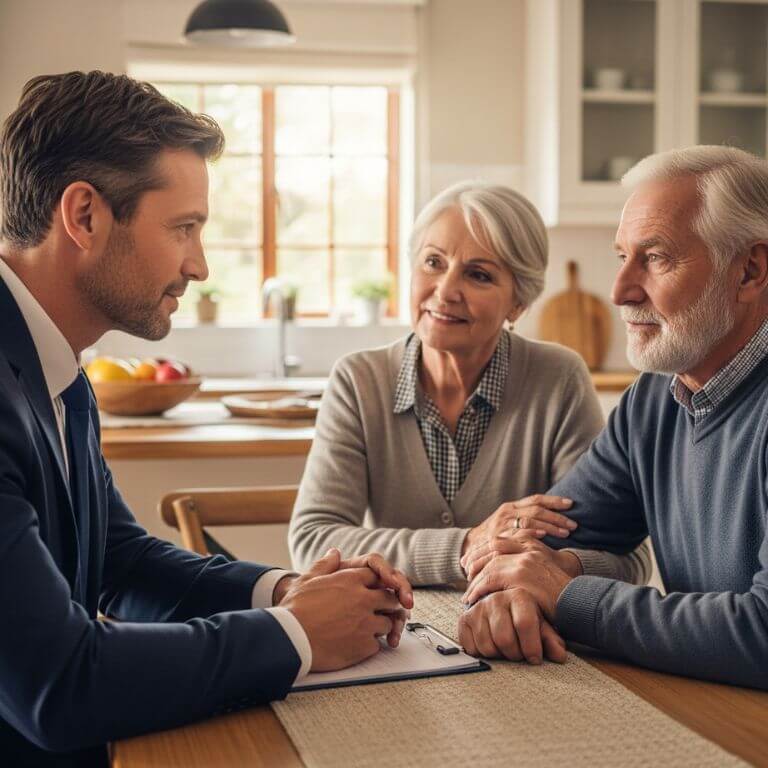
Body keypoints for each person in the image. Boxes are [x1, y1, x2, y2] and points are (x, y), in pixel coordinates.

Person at [0, 70, 413, 767]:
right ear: (85, 216)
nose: (199, 266)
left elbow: (119, 563)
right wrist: (297, 634)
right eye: (184, 228)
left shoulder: (56, 370)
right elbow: (59, 685)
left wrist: (286, 590)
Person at [459, 145, 768, 690]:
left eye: (655, 258)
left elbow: (761, 635)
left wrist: (563, 595)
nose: (620, 291)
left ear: (749, 270)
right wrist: (510, 593)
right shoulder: (654, 397)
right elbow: (547, 539)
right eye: (622, 256)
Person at [289, 181, 651, 590]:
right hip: (396, 637)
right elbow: (313, 541)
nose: (445, 291)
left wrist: (547, 568)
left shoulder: (558, 379)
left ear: (518, 302)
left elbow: (628, 558)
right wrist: (468, 546)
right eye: (433, 262)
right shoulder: (359, 381)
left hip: (522, 640)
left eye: (478, 275)